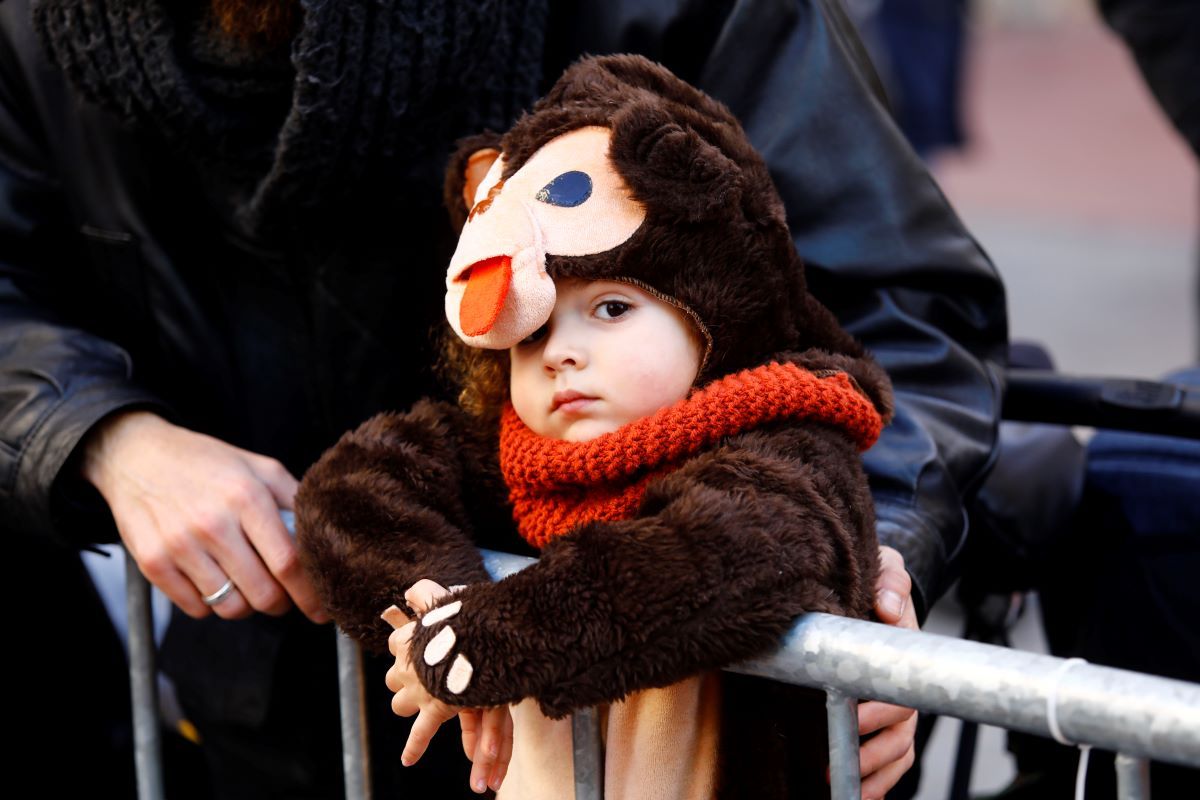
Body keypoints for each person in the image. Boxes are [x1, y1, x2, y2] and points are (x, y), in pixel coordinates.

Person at [0, 1, 1005, 797]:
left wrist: (857, 550)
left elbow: (904, 310)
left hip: (684, 721)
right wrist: (104, 435)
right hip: (264, 712)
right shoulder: (39, 30)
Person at [295, 54, 895, 799]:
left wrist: (488, 643)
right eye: (534, 332)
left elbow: (727, 551)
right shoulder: (524, 455)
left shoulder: (785, 443)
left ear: (713, 325)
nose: (562, 353)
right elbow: (349, 493)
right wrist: (438, 610)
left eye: (612, 308)